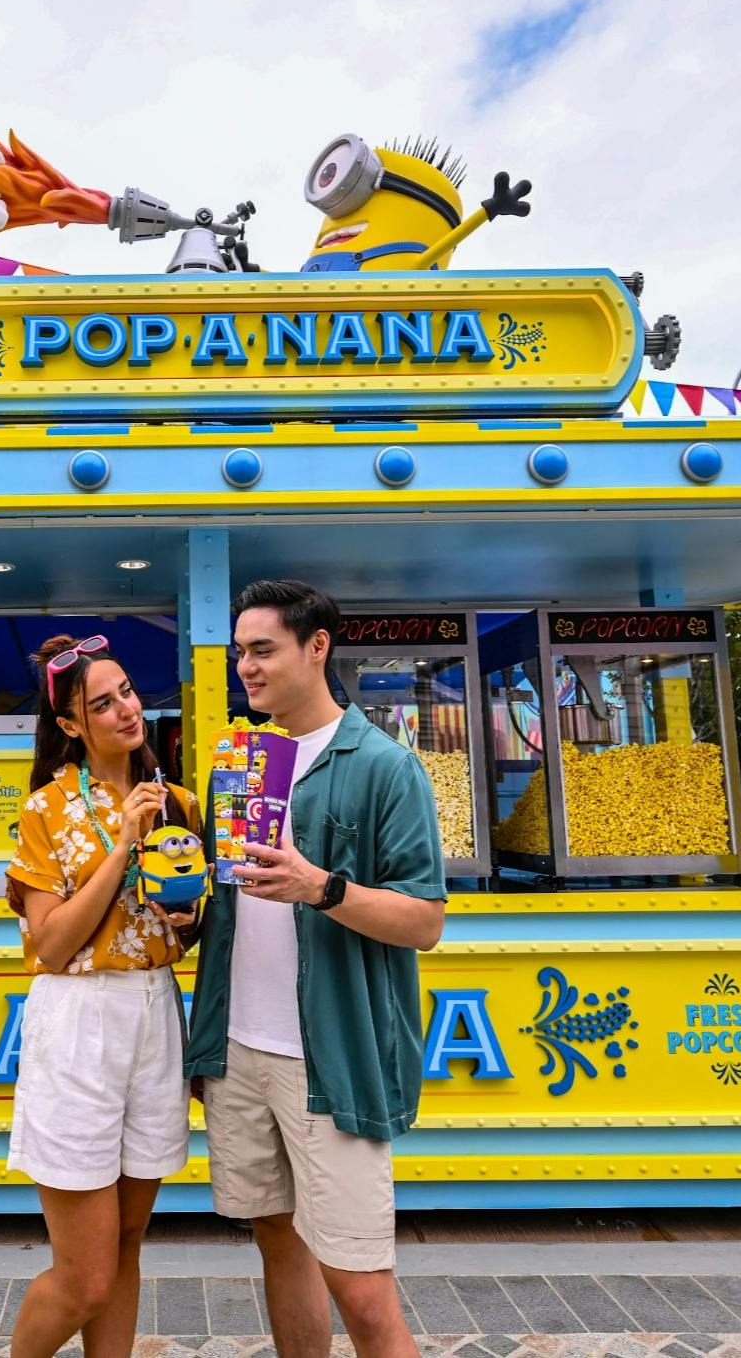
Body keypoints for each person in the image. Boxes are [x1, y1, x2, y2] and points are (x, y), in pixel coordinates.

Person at [186, 580, 447, 1358]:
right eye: (240, 652)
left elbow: (424, 922)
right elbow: (233, 914)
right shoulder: (238, 760)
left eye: (262, 649)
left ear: (317, 646)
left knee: (363, 1291)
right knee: (277, 1242)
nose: (246, 667)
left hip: (329, 1059)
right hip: (239, 1052)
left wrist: (322, 888)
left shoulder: (384, 767)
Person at [4, 633, 201, 1358]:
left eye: (126, 693)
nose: (125, 710)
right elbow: (51, 946)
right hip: (79, 1019)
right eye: (101, 703)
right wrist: (121, 848)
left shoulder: (177, 801)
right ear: (68, 726)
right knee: (84, 1277)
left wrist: (188, 919)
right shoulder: (45, 811)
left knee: (125, 1243)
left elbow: (183, 929)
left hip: (155, 1012)